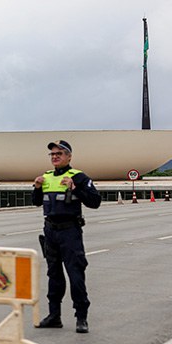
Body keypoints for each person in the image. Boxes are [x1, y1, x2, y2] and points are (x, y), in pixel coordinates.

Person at [33, 140, 101, 334]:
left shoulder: (78, 176)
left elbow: (95, 202)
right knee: (53, 275)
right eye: (52, 154)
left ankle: (81, 317)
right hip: (50, 231)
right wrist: (37, 187)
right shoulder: (45, 177)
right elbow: (36, 202)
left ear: (69, 156)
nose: (55, 156)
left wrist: (75, 188)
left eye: (59, 153)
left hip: (70, 232)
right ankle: (54, 316)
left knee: (76, 275)